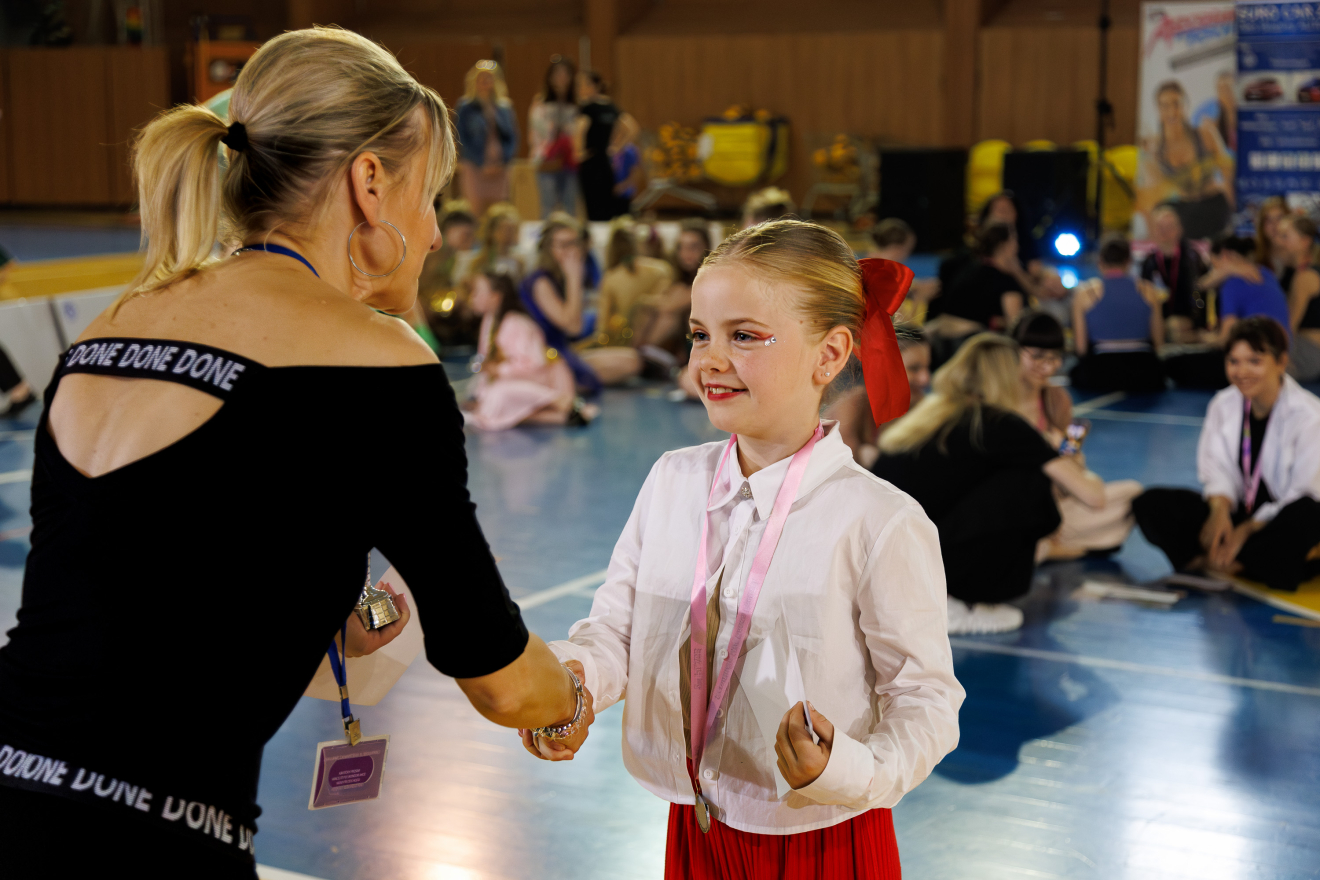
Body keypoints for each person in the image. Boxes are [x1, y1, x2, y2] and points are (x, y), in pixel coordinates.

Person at [0, 28, 592, 876]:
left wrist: (334, 611)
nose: (433, 232)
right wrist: (573, 692)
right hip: (146, 838)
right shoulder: (378, 361)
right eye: (430, 194)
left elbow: (141, 594)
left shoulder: (112, 326)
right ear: (370, 182)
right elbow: (500, 678)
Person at [529, 219, 963, 877]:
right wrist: (572, 685)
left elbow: (925, 702)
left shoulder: (880, 521)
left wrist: (846, 768)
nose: (709, 359)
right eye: (699, 334)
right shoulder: (672, 481)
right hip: (696, 822)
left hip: (822, 833)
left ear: (829, 354)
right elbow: (617, 634)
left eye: (744, 336)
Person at [873, 334, 1105, 634]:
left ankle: (936, 595)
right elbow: (1093, 497)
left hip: (885, 558)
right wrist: (1070, 461)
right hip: (927, 563)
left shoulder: (931, 412)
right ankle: (959, 601)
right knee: (1028, 482)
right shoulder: (1001, 423)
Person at [1135, 317, 1320, 591]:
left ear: (1281, 362)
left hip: (1275, 521)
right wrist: (1219, 510)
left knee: (1307, 516)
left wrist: (1248, 529)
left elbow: (1304, 492)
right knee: (1150, 503)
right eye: (1234, 361)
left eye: (1254, 361)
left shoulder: (1309, 415)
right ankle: (1229, 561)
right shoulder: (1223, 404)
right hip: (1238, 513)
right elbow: (1216, 468)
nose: (1242, 372)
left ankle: (1233, 563)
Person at [1012, 312, 1143, 560]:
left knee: (1133, 495)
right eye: (1037, 356)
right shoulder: (999, 400)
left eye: (1055, 357)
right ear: (1013, 351)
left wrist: (1071, 458)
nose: (1048, 366)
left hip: (1055, 501)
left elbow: (1073, 463)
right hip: (1014, 507)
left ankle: (1049, 545)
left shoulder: (1058, 399)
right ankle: (1061, 547)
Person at [464, 270, 596, 429]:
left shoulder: (516, 323)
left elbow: (533, 365)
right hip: (515, 379)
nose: (473, 297)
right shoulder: (489, 321)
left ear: (495, 296)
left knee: (499, 394)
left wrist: (499, 370)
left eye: (477, 291)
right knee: (484, 392)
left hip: (543, 379)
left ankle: (559, 401)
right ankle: (560, 417)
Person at [1166, 236, 1292, 390]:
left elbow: (1224, 339)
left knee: (1173, 363)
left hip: (1258, 360)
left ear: (1225, 255)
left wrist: (1199, 338)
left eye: (1214, 265)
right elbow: (1201, 286)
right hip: (1281, 355)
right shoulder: (1266, 273)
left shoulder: (1232, 284)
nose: (1214, 271)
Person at [577, 217, 672, 383]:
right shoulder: (662, 269)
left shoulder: (611, 278)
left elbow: (602, 329)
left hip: (625, 347)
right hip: (661, 344)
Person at [1138, 80, 1234, 240]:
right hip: (1184, 214)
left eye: (1176, 104)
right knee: (1166, 211)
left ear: (1185, 105)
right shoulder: (1155, 151)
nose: (1172, 112)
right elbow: (1152, 199)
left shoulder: (1206, 134)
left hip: (1213, 206)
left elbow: (1228, 175)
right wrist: (1153, 238)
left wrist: (1234, 218)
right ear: (1158, 110)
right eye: (1165, 106)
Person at [519, 212, 604, 393]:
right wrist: (574, 278)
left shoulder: (559, 277)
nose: (571, 250)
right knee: (593, 376)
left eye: (574, 243)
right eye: (564, 245)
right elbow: (574, 328)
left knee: (631, 360)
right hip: (543, 356)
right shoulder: (541, 282)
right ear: (549, 248)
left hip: (562, 349)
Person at [1072, 236, 1166, 393]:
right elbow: (1159, 343)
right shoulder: (1149, 291)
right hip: (1144, 372)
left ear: (1100, 261)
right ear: (1129, 261)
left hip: (1099, 372)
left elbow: (1080, 348)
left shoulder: (1084, 294)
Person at [825, 330, 931, 468]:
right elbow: (840, 465)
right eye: (914, 369)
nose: (925, 379)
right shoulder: (854, 405)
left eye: (927, 367)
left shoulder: (924, 409)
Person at [925, 223, 1025, 365]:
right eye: (1015, 240)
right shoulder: (1006, 281)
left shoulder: (968, 269)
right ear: (1005, 246)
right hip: (966, 344)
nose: (1018, 246)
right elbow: (1015, 325)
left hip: (939, 342)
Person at [455, 60, 518, 219]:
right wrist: (481, 163)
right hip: (475, 167)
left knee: (499, 215)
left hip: (500, 168)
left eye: (488, 78)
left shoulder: (504, 107)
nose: (484, 81)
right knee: (475, 212)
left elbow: (512, 137)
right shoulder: (465, 107)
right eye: (481, 78)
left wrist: (503, 161)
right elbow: (461, 138)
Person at [575, 70, 639, 221]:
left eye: (583, 85)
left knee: (594, 207)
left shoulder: (588, 108)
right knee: (607, 206)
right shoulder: (611, 107)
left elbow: (579, 131)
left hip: (591, 163)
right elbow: (632, 128)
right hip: (606, 163)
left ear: (595, 86)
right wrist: (616, 148)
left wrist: (579, 153)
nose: (580, 89)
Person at [1139, 204, 1209, 340]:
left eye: (1169, 227)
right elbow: (1145, 299)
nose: (1164, 232)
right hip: (1160, 326)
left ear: (1179, 230)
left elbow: (1200, 294)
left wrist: (1196, 323)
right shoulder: (1149, 262)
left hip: (1189, 324)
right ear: (1153, 230)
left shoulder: (1192, 258)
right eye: (1160, 227)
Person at [528, 55, 579, 218]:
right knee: (548, 207)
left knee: (570, 207)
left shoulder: (576, 105)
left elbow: (577, 131)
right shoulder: (540, 103)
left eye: (566, 74)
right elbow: (541, 131)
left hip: (570, 162)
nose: (561, 78)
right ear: (550, 77)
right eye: (558, 73)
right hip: (547, 160)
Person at [1275, 213, 1320, 382]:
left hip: (1310, 353)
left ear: (1304, 241)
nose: (1278, 241)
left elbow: (1289, 325)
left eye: (1285, 236)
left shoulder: (1305, 277)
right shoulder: (1292, 273)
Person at [868, 218, 938, 325]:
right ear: (897, 249)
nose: (906, 257)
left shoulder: (869, 264)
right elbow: (906, 328)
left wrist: (914, 287)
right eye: (907, 250)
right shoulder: (885, 275)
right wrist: (921, 297)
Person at [475, 202, 525, 280]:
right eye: (505, 229)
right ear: (491, 231)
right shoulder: (481, 261)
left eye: (513, 230)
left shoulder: (519, 262)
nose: (509, 234)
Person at [1254, 195, 1287, 273]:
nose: (1274, 225)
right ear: (1261, 226)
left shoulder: (1303, 258)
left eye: (1279, 218)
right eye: (1268, 220)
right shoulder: (1253, 257)